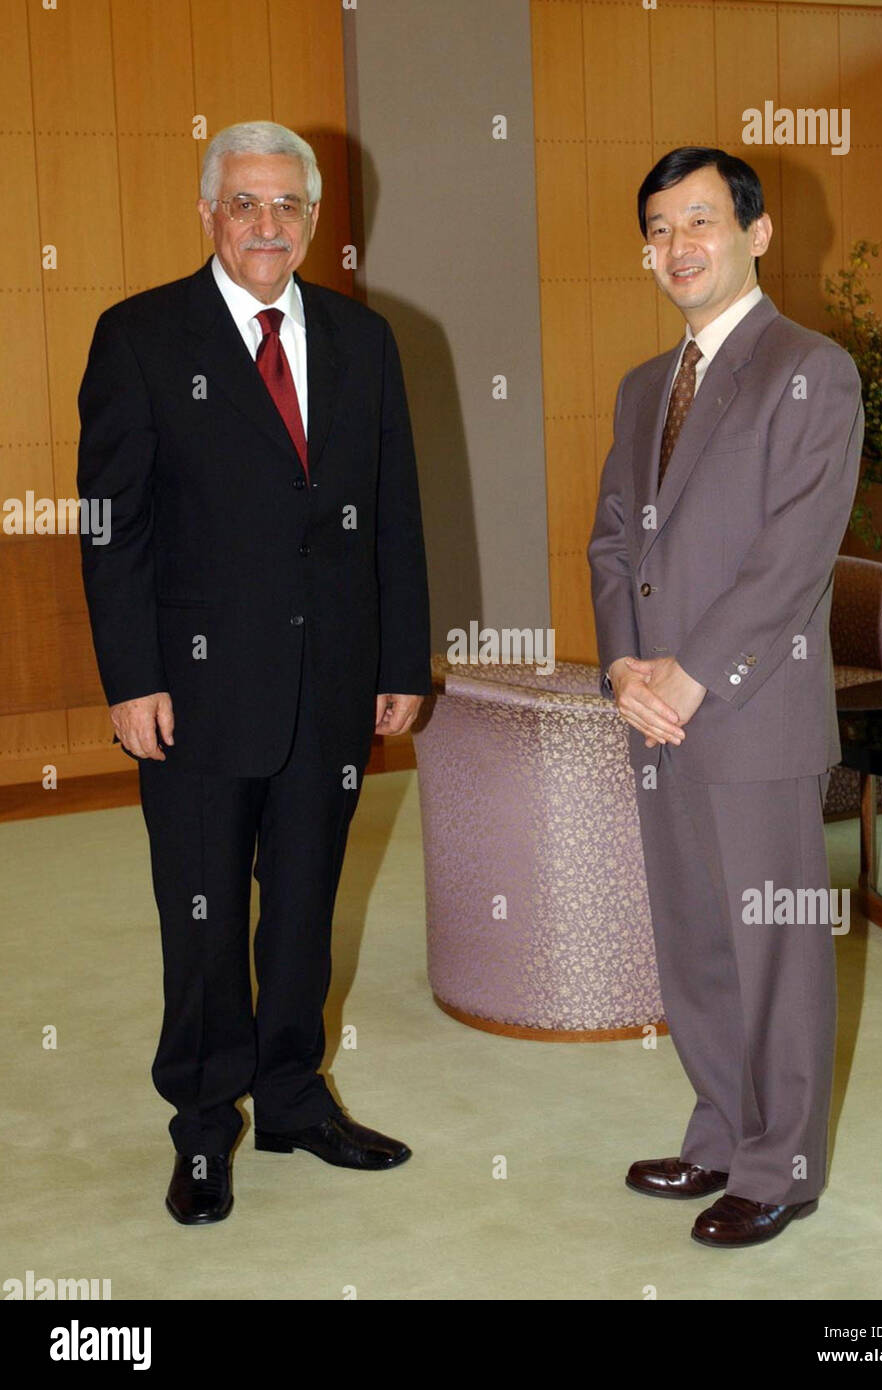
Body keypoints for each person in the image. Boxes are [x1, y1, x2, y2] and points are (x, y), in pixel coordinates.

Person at [77, 120, 431, 1225]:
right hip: (190, 693)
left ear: (314, 219)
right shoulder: (138, 336)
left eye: (287, 205)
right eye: (245, 204)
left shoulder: (365, 341)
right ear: (209, 214)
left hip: (329, 685)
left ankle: (289, 1096)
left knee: (303, 910)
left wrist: (400, 658)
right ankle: (201, 1123)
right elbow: (111, 525)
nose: (267, 225)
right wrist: (131, 681)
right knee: (203, 918)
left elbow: (397, 518)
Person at [588, 147, 863, 1248]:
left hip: (752, 711)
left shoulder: (813, 368)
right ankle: (719, 1131)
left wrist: (690, 676)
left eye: (698, 221)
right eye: (657, 229)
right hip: (655, 711)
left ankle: (783, 1163)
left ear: (756, 234)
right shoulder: (644, 387)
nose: (675, 247)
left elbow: (793, 557)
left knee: (773, 945)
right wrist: (623, 669)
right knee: (696, 934)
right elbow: (614, 542)